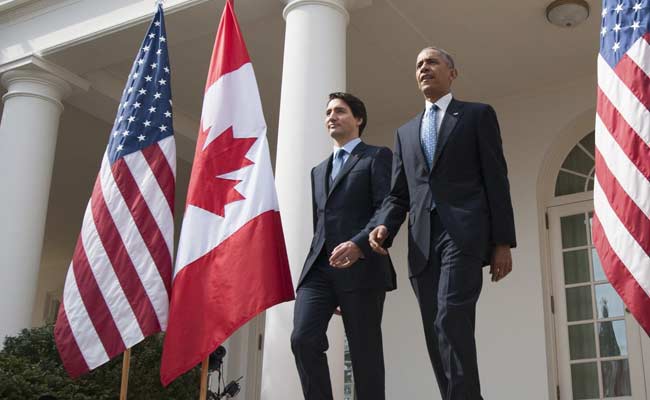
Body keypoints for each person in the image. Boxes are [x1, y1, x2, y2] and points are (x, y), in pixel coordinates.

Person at [369, 46, 516, 400]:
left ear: (452, 73)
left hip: (463, 236)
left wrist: (502, 242)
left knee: (451, 315)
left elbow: (496, 178)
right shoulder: (405, 133)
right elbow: (399, 195)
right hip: (422, 245)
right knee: (436, 331)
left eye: (432, 62)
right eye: (419, 64)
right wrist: (384, 226)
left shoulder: (477, 115)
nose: (424, 68)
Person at [291, 92, 396, 400]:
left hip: (362, 267)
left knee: (365, 353)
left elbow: (386, 207)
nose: (331, 117)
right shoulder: (318, 170)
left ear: (358, 119)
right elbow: (320, 222)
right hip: (320, 270)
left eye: (340, 111)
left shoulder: (377, 156)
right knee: (303, 338)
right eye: (328, 113)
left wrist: (359, 243)